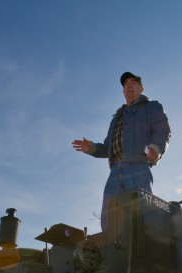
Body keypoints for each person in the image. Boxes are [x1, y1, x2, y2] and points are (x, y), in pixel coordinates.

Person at [72, 72, 171, 231]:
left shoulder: (152, 107)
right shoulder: (117, 117)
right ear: (123, 92)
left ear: (142, 89)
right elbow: (108, 146)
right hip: (115, 171)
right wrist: (93, 148)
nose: (129, 86)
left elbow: (162, 129)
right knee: (110, 217)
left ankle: (148, 250)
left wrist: (156, 148)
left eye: (133, 82)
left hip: (138, 166)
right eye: (125, 84)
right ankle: (111, 251)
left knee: (142, 213)